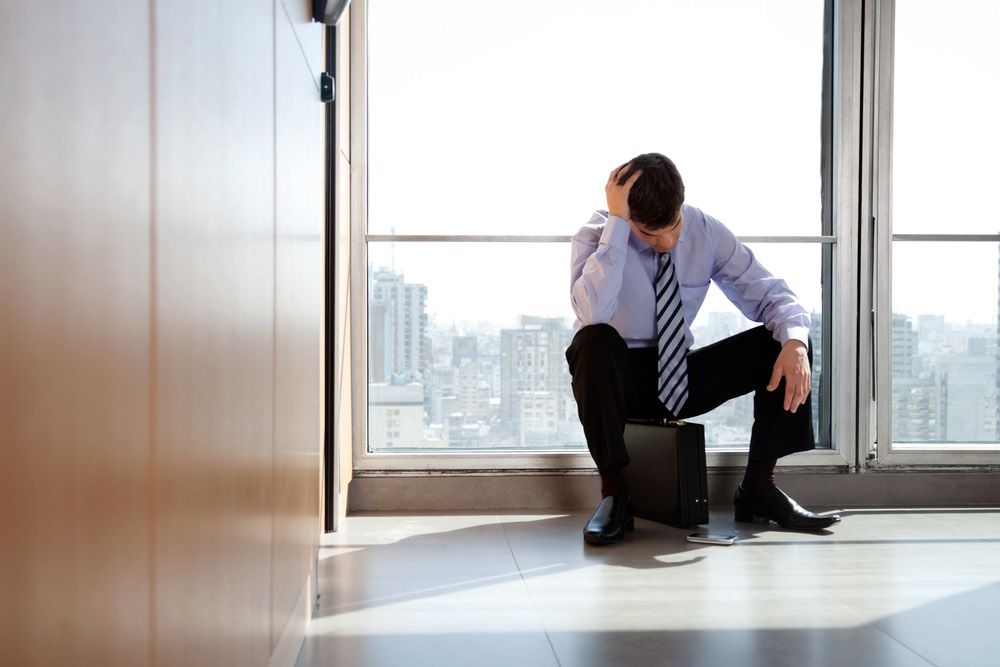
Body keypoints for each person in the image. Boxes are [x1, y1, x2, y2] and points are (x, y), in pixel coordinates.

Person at [566, 152, 839, 545]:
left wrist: (795, 341)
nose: (667, 242)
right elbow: (592, 312)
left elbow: (772, 295)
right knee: (593, 341)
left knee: (784, 340)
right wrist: (618, 229)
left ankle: (759, 490)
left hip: (678, 373)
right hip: (620, 380)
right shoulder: (599, 234)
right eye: (650, 233)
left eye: (673, 227)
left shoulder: (705, 230)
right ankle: (615, 495)